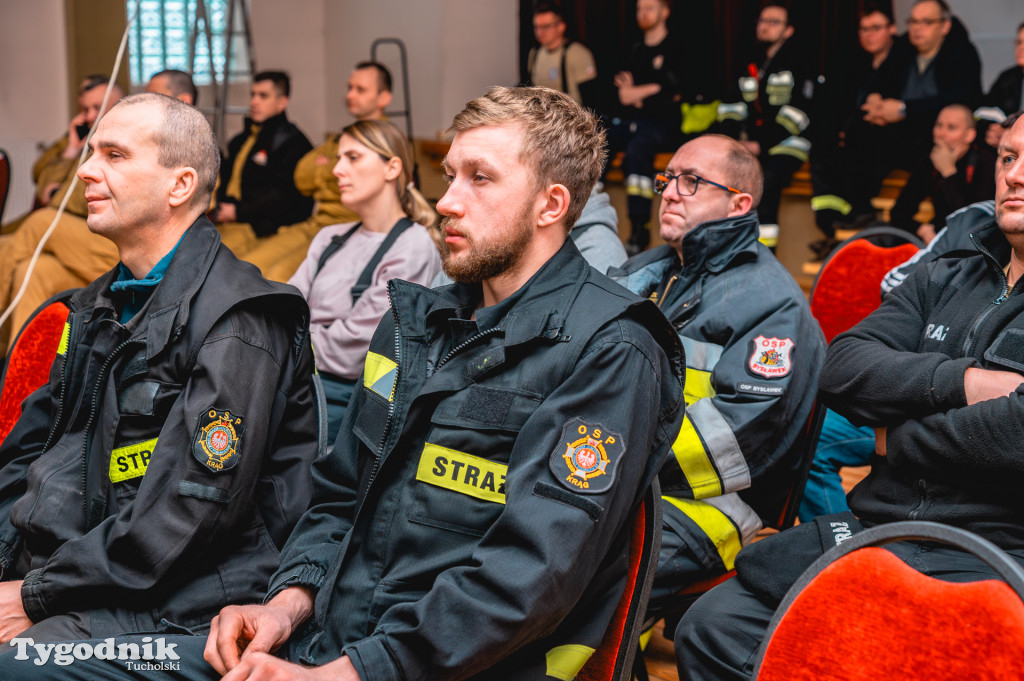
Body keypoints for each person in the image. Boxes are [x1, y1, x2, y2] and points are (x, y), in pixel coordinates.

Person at [5, 85, 685, 681]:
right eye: (450, 174)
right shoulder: (417, 325)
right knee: (26, 663)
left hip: (429, 666)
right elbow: (338, 498)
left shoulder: (612, 348)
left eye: (480, 178)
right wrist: (285, 603)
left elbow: (531, 576)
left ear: (550, 203)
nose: (447, 200)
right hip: (323, 641)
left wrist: (352, 670)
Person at [676, 111, 1024, 681]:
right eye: (1008, 157)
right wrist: (965, 382)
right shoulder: (944, 275)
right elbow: (843, 367)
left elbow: (1018, 433)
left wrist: (895, 436)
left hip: (998, 549)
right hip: (882, 530)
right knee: (715, 626)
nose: (1015, 174)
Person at [0, 93, 318, 652]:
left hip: (180, 600)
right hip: (75, 567)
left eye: (114, 155)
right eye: (91, 152)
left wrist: (35, 595)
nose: (87, 171)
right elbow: (30, 452)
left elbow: (189, 517)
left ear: (180, 185)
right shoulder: (94, 307)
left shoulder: (238, 319)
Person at [608, 134, 824, 622]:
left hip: (708, 508)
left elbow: (733, 442)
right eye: (667, 179)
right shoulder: (642, 273)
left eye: (691, 181)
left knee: (567, 566)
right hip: (619, 481)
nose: (669, 192)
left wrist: (611, 461)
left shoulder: (771, 306)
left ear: (738, 204)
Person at [289, 119, 440, 443]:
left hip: (344, 403)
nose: (337, 170)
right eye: (338, 158)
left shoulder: (412, 245)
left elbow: (356, 350)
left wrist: (290, 341)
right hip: (298, 380)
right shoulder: (330, 237)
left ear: (392, 168)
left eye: (353, 157)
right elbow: (286, 308)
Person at [0, 78, 124, 355]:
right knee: (32, 271)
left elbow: (69, 202)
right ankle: (19, 370)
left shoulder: (118, 146)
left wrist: (59, 191)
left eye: (97, 107)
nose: (89, 115)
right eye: (85, 108)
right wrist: (70, 151)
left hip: (109, 246)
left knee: (41, 222)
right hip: (74, 240)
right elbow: (42, 179)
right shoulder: (84, 139)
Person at [835, 0, 983, 229]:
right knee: (860, 130)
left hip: (934, 138)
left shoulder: (962, 53)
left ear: (944, 26)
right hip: (901, 136)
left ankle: (937, 226)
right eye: (913, 22)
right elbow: (880, 80)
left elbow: (961, 100)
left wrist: (905, 110)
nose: (917, 28)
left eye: (926, 22)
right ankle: (860, 211)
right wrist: (874, 99)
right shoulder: (903, 48)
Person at [242, 62, 393, 282]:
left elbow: (372, 195)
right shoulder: (342, 138)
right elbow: (301, 178)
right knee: (247, 267)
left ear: (383, 98)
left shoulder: (388, 142)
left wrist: (324, 168)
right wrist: (330, 174)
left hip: (351, 229)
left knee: (275, 278)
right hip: (315, 225)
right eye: (349, 88)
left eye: (360, 90)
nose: (350, 95)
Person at [716, 2, 814, 250]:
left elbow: (799, 113)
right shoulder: (749, 60)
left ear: (788, 30)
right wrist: (732, 141)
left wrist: (760, 144)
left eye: (774, 22)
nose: (766, 26)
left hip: (787, 144)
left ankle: (764, 253)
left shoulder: (800, 62)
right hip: (748, 143)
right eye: (762, 21)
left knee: (766, 182)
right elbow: (731, 105)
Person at [809, 4, 906, 254]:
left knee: (859, 141)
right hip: (858, 131)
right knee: (823, 147)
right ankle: (830, 226)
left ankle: (858, 213)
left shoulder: (904, 58)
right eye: (864, 29)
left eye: (875, 28)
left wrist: (879, 109)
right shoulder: (855, 61)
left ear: (892, 29)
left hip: (895, 136)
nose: (869, 35)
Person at [605, 0, 684, 255]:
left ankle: (640, 226)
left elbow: (672, 93)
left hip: (665, 124)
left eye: (650, 8)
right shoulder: (635, 50)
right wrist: (652, 89)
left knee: (637, 151)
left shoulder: (676, 48)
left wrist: (639, 93)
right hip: (635, 121)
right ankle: (584, 206)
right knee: (600, 140)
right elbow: (623, 96)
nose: (643, 13)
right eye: (639, 8)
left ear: (665, 12)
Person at [213, 70, 313, 255]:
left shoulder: (294, 143)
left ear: (282, 102)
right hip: (227, 221)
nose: (254, 102)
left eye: (263, 96)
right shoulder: (240, 140)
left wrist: (238, 211)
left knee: (213, 258)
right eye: (253, 95)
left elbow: (285, 197)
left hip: (263, 228)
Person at [527, 2, 596, 106]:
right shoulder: (535, 54)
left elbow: (591, 98)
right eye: (537, 27)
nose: (540, 32)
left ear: (561, 27)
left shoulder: (577, 53)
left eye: (546, 27)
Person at [979, 21, 1024, 149]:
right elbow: (982, 111)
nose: (1021, 47)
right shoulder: (1008, 78)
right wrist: (994, 129)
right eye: (1019, 42)